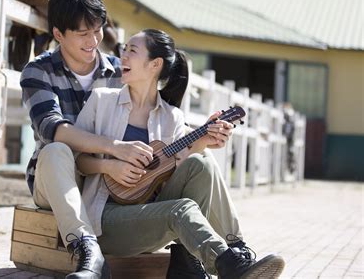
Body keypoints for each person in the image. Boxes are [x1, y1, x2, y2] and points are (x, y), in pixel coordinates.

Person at [20, 0, 238, 279]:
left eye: (97, 31)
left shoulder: (117, 71)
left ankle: (223, 253)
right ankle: (87, 250)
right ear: (59, 34)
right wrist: (113, 149)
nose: (93, 40)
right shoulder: (39, 71)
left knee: (203, 163)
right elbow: (54, 128)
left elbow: (158, 124)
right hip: (59, 178)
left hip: (114, 188)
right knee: (57, 150)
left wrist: (204, 137)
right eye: (83, 33)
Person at [73, 29, 286, 279]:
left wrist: (203, 141)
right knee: (181, 209)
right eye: (125, 49)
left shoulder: (171, 117)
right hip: (106, 221)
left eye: (132, 50)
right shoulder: (101, 101)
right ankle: (230, 265)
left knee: (202, 161)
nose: (123, 55)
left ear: (155, 65)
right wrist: (109, 167)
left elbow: (180, 172)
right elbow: (77, 161)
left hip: (152, 218)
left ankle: (212, 256)